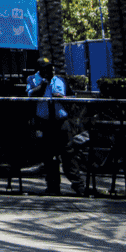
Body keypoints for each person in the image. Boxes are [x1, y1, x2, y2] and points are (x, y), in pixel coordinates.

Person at [27, 57, 86, 196]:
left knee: (68, 154)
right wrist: (44, 83)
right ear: (40, 69)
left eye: (51, 68)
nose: (50, 71)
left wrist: (62, 97)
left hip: (61, 122)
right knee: (49, 156)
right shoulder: (32, 80)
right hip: (45, 122)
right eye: (46, 68)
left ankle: (79, 186)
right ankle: (53, 187)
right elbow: (31, 95)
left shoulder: (60, 80)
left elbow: (72, 97)